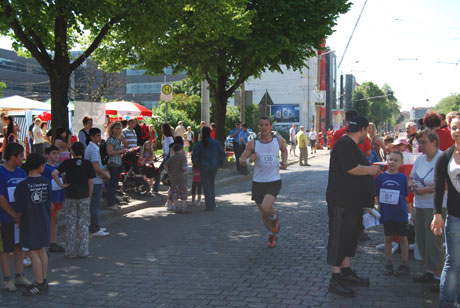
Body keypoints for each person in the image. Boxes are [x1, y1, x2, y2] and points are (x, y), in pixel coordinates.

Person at [326, 115, 382, 298]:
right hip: (341, 201)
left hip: (352, 202)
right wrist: (370, 170)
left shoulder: (351, 145)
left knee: (349, 237)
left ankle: (346, 271)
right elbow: (351, 168)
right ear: (364, 130)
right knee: (338, 238)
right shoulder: (344, 145)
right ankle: (335, 277)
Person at [239, 116, 288, 248]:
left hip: (274, 180)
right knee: (263, 212)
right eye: (261, 125)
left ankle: (275, 218)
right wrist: (250, 159)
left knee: (267, 208)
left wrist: (284, 161)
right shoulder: (253, 143)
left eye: (266, 125)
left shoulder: (278, 140)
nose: (264, 127)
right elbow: (241, 160)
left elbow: (284, 150)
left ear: (271, 127)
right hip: (258, 182)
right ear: (259, 127)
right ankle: (272, 234)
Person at [409, 128, 446, 292]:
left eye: (423, 143)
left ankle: (439, 277)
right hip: (419, 205)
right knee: (422, 240)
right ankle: (429, 272)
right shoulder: (420, 159)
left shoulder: (444, 158)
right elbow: (411, 176)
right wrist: (411, 185)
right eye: (419, 143)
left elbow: (446, 185)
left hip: (436, 207)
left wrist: (426, 190)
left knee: (435, 242)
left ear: (434, 142)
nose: (420, 146)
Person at [431, 116, 460, 307]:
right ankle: (447, 303)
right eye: (454, 127)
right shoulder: (445, 156)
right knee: (453, 263)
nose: (457, 131)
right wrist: (437, 214)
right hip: (455, 217)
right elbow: (438, 187)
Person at [15, 153, 51, 296]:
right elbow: (49, 202)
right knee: (42, 250)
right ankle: (43, 278)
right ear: (40, 166)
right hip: (44, 219)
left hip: (30, 220)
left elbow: (19, 206)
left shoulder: (23, 185)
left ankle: (39, 282)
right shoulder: (46, 182)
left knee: (33, 251)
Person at [52, 142, 96, 258]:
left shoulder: (67, 163)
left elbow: (54, 173)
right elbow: (91, 182)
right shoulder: (87, 164)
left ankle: (70, 251)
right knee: (83, 223)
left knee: (71, 223)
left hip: (70, 195)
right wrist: (90, 196)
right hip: (84, 195)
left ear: (72, 151)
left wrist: (62, 185)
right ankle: (83, 250)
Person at [0, 143, 32, 292]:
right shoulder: (1, 172)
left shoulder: (21, 173)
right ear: (12, 157)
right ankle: (7, 278)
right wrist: (13, 214)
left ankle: (19, 275)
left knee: (19, 246)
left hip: (20, 217)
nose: (23, 158)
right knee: (6, 249)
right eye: (20, 156)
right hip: (5, 218)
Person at [374, 151, 410, 276]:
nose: (392, 162)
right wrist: (378, 207)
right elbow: (376, 194)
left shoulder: (403, 178)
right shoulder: (380, 177)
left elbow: (405, 195)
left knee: (403, 238)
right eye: (391, 159)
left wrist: (409, 213)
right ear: (387, 161)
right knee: (388, 238)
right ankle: (388, 263)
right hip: (387, 213)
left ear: (401, 163)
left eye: (396, 160)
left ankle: (405, 264)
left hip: (400, 213)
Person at [192, 126, 225, 211]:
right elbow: (222, 154)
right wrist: (220, 164)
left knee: (206, 185)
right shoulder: (216, 143)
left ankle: (209, 204)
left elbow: (194, 156)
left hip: (203, 167)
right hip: (214, 166)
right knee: (211, 184)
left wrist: (196, 165)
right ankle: (212, 203)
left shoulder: (199, 144)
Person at [85, 128, 110, 237]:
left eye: (100, 135)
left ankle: (95, 226)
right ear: (92, 137)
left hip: (94, 180)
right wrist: (105, 175)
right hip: (95, 181)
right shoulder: (93, 149)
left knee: (94, 205)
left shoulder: (92, 147)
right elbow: (95, 166)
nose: (100, 138)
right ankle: (94, 228)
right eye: (97, 136)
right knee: (95, 205)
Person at [42, 146, 66, 253]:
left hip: (58, 197)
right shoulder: (45, 169)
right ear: (47, 155)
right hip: (50, 199)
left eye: (57, 153)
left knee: (55, 221)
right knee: (48, 221)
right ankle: (45, 244)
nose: (56, 155)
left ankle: (53, 242)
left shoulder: (58, 167)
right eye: (53, 153)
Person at [105, 122, 124, 210]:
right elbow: (110, 152)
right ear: (112, 129)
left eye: (119, 128)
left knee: (114, 184)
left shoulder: (117, 139)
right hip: (113, 164)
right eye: (116, 128)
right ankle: (111, 203)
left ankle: (113, 202)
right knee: (112, 184)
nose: (118, 130)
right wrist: (120, 151)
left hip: (117, 163)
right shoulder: (111, 139)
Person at [165, 144, 189, 213]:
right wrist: (186, 169)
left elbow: (165, 165)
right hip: (181, 178)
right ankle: (183, 208)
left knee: (174, 194)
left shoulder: (172, 158)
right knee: (183, 194)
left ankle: (176, 207)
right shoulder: (182, 157)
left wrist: (169, 172)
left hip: (173, 178)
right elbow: (184, 168)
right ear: (180, 149)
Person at [152, 123, 174, 194]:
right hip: (166, 157)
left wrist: (165, 153)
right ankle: (172, 189)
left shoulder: (169, 138)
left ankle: (155, 189)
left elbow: (171, 148)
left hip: (168, 158)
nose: (161, 129)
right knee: (169, 174)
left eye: (162, 128)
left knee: (158, 172)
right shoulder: (167, 137)